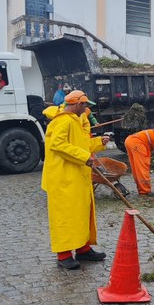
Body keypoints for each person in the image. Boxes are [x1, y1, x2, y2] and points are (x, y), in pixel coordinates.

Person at [41, 90, 110, 270]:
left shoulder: (75, 121)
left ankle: (83, 249)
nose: (87, 109)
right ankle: (63, 255)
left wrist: (99, 143)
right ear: (78, 104)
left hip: (75, 176)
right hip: (63, 178)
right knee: (65, 216)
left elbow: (80, 145)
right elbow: (58, 144)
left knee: (81, 213)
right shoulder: (62, 121)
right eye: (85, 105)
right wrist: (84, 156)